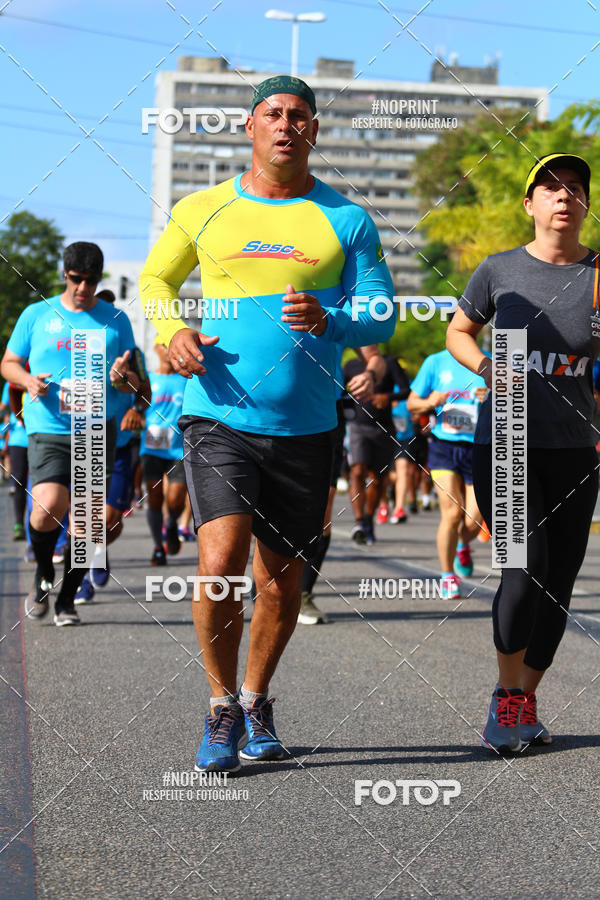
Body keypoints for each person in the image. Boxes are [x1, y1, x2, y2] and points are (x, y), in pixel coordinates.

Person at [139, 74, 395, 772]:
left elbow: (381, 313)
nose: (286, 124)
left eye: (299, 115)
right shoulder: (203, 208)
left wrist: (332, 318)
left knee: (281, 581)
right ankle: (220, 706)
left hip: (307, 426)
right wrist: (171, 331)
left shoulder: (347, 220)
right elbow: (156, 282)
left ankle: (256, 699)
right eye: (273, 114)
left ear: (314, 130)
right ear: (251, 127)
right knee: (220, 562)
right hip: (217, 416)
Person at [446, 152, 599, 752]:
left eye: (575, 187)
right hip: (506, 438)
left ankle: (527, 698)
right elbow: (458, 331)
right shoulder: (499, 269)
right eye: (551, 187)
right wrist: (488, 367)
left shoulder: (599, 273)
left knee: (559, 580)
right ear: (530, 203)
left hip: (576, 446)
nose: (564, 196)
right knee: (523, 566)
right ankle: (506, 695)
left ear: (586, 204)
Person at [0, 242, 140, 625]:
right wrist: (28, 380)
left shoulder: (116, 320)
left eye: (91, 281)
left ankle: (66, 600)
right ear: (65, 274)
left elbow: (134, 381)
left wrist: (122, 378)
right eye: (77, 279)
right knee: (47, 506)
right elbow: (8, 363)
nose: (83, 288)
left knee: (87, 522)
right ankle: (44, 572)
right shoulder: (36, 315)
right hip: (48, 426)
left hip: (95, 427)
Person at [298, 343, 385, 625]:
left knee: (321, 513)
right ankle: (269, 582)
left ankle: (303, 594)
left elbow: (374, 357)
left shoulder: (339, 313)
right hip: (266, 411)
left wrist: (371, 374)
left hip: (326, 414)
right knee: (268, 509)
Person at [407, 344, 487, 598]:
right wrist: (429, 401)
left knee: (473, 521)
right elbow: (412, 404)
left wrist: (492, 396)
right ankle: (447, 576)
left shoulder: (489, 361)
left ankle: (462, 544)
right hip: (444, 447)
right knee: (452, 514)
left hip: (479, 448)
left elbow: (515, 401)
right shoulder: (435, 362)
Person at [343, 353, 410, 544]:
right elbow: (338, 391)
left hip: (383, 428)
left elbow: (407, 390)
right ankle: (358, 522)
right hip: (357, 426)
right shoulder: (351, 366)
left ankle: (368, 519)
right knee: (357, 470)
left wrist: (387, 396)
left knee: (377, 478)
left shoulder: (390, 362)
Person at [140, 339, 187, 566]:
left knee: (176, 498)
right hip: (151, 449)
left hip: (178, 449)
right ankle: (158, 547)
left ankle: (171, 524)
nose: (169, 351)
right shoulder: (148, 379)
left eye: (172, 345)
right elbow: (136, 406)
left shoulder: (187, 380)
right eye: (165, 346)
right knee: (155, 498)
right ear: (156, 349)